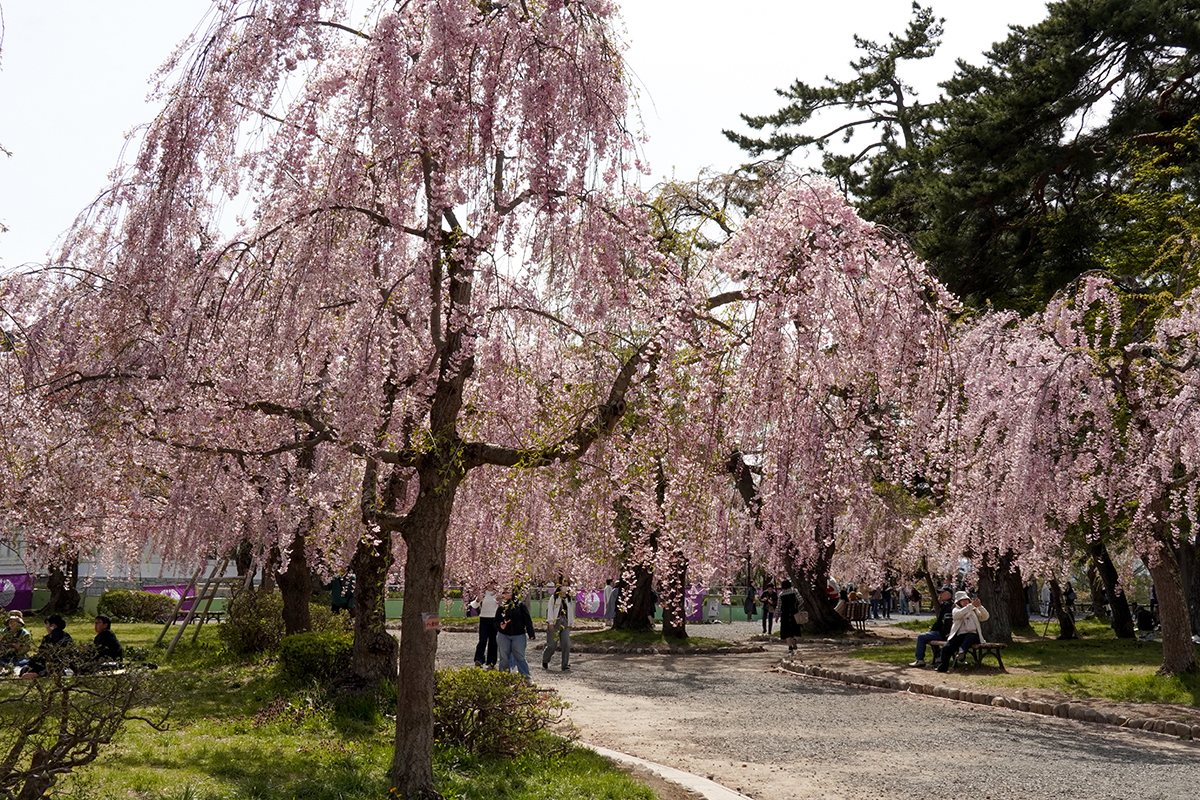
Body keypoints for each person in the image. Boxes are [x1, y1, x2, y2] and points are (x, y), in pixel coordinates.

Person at [935, 591, 990, 673]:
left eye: (967, 600)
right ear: (958, 602)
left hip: (973, 635)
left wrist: (980, 606)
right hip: (960, 635)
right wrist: (970, 606)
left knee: (969, 637)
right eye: (963, 601)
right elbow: (958, 615)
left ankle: (962, 652)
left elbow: (985, 617)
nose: (965, 602)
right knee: (947, 647)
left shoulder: (974, 610)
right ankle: (943, 666)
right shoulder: (955, 610)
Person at [495, 586, 536, 679]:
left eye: (507, 592)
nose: (504, 595)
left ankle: (526, 677)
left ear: (513, 593)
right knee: (504, 658)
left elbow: (527, 620)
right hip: (504, 635)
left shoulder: (520, 606)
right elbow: (496, 621)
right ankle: (504, 677)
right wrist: (500, 626)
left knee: (520, 657)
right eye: (503, 593)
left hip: (518, 635)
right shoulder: (502, 607)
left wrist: (531, 633)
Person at [909, 585, 954, 667]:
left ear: (948, 594)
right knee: (932, 636)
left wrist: (933, 629)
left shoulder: (946, 605)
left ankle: (920, 659)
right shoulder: (950, 604)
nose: (940, 594)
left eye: (942, 593)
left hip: (944, 633)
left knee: (921, 637)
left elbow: (940, 621)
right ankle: (938, 656)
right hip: (948, 632)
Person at [20, 614, 76, 678]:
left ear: (52, 626)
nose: (46, 627)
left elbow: (41, 655)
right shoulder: (67, 636)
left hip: (52, 666)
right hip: (68, 665)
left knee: (26, 671)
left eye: (47, 624)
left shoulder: (49, 638)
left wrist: (31, 663)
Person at [542, 581, 574, 672]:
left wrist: (570, 623)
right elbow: (551, 610)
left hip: (565, 622)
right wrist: (551, 622)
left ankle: (565, 665)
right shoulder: (554, 597)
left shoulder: (568, 598)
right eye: (563, 586)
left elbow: (570, 611)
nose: (565, 588)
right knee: (552, 645)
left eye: (566, 586)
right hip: (556, 621)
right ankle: (545, 659)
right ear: (559, 587)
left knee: (566, 644)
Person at [471, 580, 500, 668]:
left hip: (494, 619)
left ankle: (491, 662)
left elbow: (502, 605)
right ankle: (479, 659)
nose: (489, 585)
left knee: (493, 641)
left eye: (491, 583)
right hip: (484, 618)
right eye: (488, 583)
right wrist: (477, 600)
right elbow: (474, 605)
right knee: (482, 640)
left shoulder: (498, 594)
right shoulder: (482, 594)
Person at [777, 579, 802, 652]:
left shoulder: (781, 594)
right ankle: (794, 639)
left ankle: (790, 647)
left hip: (785, 614)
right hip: (794, 612)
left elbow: (778, 606)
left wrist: (777, 615)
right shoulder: (794, 591)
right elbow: (801, 600)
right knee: (795, 628)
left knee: (786, 631)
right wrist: (797, 605)